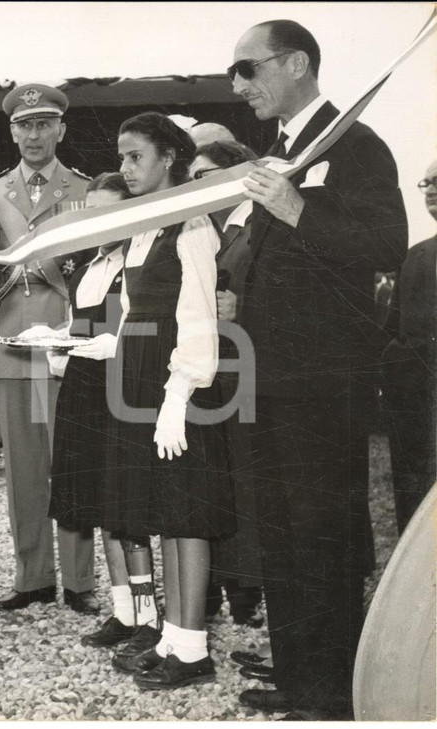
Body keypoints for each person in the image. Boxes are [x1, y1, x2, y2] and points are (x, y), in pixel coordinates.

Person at [229, 20, 407, 719]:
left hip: (323, 385)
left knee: (323, 533)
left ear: (297, 62)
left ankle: (332, 694)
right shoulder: (279, 151)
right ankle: (300, 677)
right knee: (281, 533)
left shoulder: (355, 144)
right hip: (271, 379)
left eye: (250, 68)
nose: (240, 85)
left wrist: (298, 209)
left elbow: (386, 243)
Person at [96, 112, 234, 690]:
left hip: (178, 379)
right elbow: (135, 309)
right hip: (142, 373)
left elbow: (199, 313)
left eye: (136, 157)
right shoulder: (147, 222)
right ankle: (175, 636)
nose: (125, 168)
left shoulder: (192, 223)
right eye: (122, 157)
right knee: (168, 513)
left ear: (169, 158)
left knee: (188, 511)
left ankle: (193, 648)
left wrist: (180, 391)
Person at [36, 173, 163, 649]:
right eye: (91, 211)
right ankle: (124, 612)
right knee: (102, 503)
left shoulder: (140, 263)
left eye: (108, 211)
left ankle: (149, 618)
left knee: (128, 509)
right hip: (85, 391)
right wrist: (56, 346)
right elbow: (78, 326)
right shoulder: (88, 265)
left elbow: (142, 333)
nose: (97, 222)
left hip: (125, 392)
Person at [0, 83, 97, 616]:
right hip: (11, 342)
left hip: (63, 342)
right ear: (11, 132)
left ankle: (78, 581)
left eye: (43, 124)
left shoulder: (84, 191)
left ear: (60, 130)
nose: (33, 134)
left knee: (70, 463)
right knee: (23, 469)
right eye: (23, 125)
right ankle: (31, 577)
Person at [186, 142, 266, 632]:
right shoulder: (209, 229)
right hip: (211, 370)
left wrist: (244, 307)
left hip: (245, 369)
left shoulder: (258, 226)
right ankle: (217, 581)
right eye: (191, 177)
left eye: (206, 174)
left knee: (244, 481)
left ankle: (245, 587)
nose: (197, 185)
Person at [380, 160, 437, 534]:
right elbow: (392, 332)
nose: (430, 188)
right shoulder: (414, 257)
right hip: (415, 408)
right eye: (427, 181)